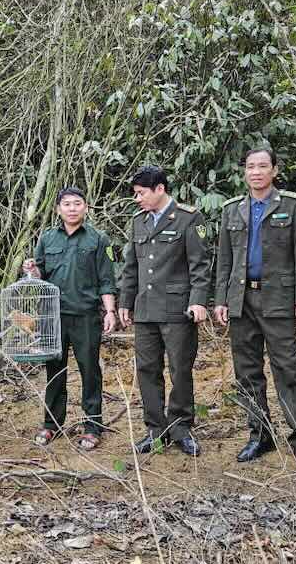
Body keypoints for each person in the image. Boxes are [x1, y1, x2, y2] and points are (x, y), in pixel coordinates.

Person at [213, 147, 296, 475]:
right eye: (250, 167)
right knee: (247, 372)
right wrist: (221, 299)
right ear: (244, 172)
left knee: (287, 369)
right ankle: (260, 434)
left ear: (274, 170)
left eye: (262, 166)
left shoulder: (291, 204)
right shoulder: (233, 210)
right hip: (242, 300)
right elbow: (225, 260)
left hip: (279, 300)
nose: (256, 172)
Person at [118, 165, 210, 457]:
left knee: (180, 369)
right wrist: (125, 302)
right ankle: (155, 430)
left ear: (160, 189)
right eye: (135, 194)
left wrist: (198, 301)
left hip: (177, 310)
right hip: (145, 310)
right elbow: (131, 267)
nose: (137, 199)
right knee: (147, 370)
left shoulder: (188, 217)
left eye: (141, 193)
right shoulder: (138, 221)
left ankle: (181, 428)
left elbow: (200, 265)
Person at [22, 187, 117, 450]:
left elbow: (107, 279)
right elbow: (39, 274)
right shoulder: (48, 238)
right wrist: (31, 268)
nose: (72, 208)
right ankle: (51, 424)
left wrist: (109, 311)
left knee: (90, 370)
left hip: (86, 316)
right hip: (53, 316)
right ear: (58, 209)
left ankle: (92, 426)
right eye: (67, 204)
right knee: (54, 371)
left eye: (77, 203)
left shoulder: (98, 239)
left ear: (86, 207)